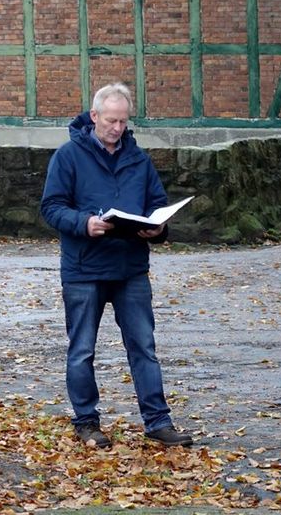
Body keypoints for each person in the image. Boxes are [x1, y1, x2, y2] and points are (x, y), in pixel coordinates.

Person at [40, 82, 193, 448]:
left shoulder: (138, 159)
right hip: (84, 269)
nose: (118, 129)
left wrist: (157, 229)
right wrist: (85, 224)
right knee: (82, 350)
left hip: (130, 268)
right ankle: (87, 423)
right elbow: (51, 207)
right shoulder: (68, 157)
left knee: (144, 346)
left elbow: (157, 203)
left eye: (123, 121)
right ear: (94, 117)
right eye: (111, 121)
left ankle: (158, 422)